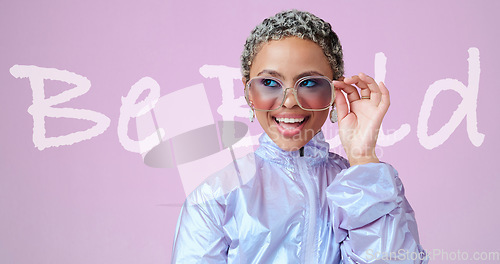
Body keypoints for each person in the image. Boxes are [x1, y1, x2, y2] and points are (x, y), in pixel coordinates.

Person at [171, 9, 427, 263]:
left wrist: (362, 157)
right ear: (248, 93)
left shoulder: (370, 186)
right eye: (270, 83)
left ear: (334, 91)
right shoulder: (214, 199)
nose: (290, 101)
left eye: (310, 83)